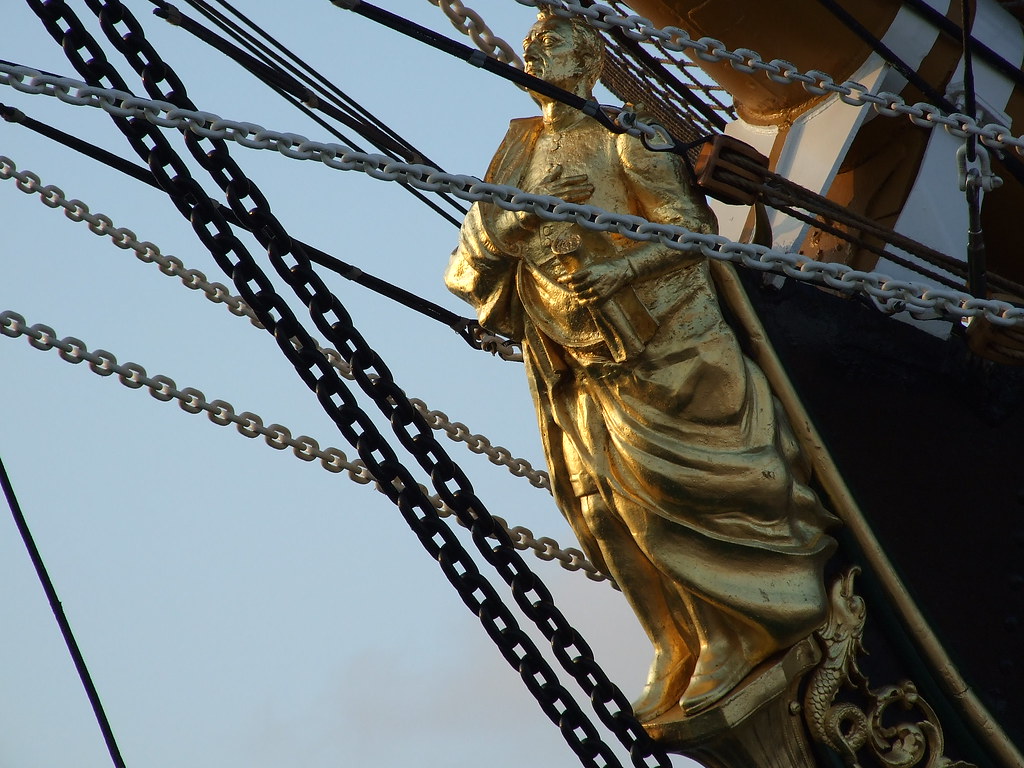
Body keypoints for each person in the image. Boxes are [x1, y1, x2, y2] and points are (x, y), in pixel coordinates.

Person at [445, 9, 837, 721]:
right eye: (532, 43)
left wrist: (621, 269)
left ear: (591, 60)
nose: (537, 49)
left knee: (660, 506)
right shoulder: (515, 157)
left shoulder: (625, 137)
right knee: (604, 519)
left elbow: (690, 229)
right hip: (574, 365)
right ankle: (670, 642)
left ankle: (725, 635)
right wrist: (513, 225)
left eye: (555, 40)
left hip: (660, 351)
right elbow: (466, 270)